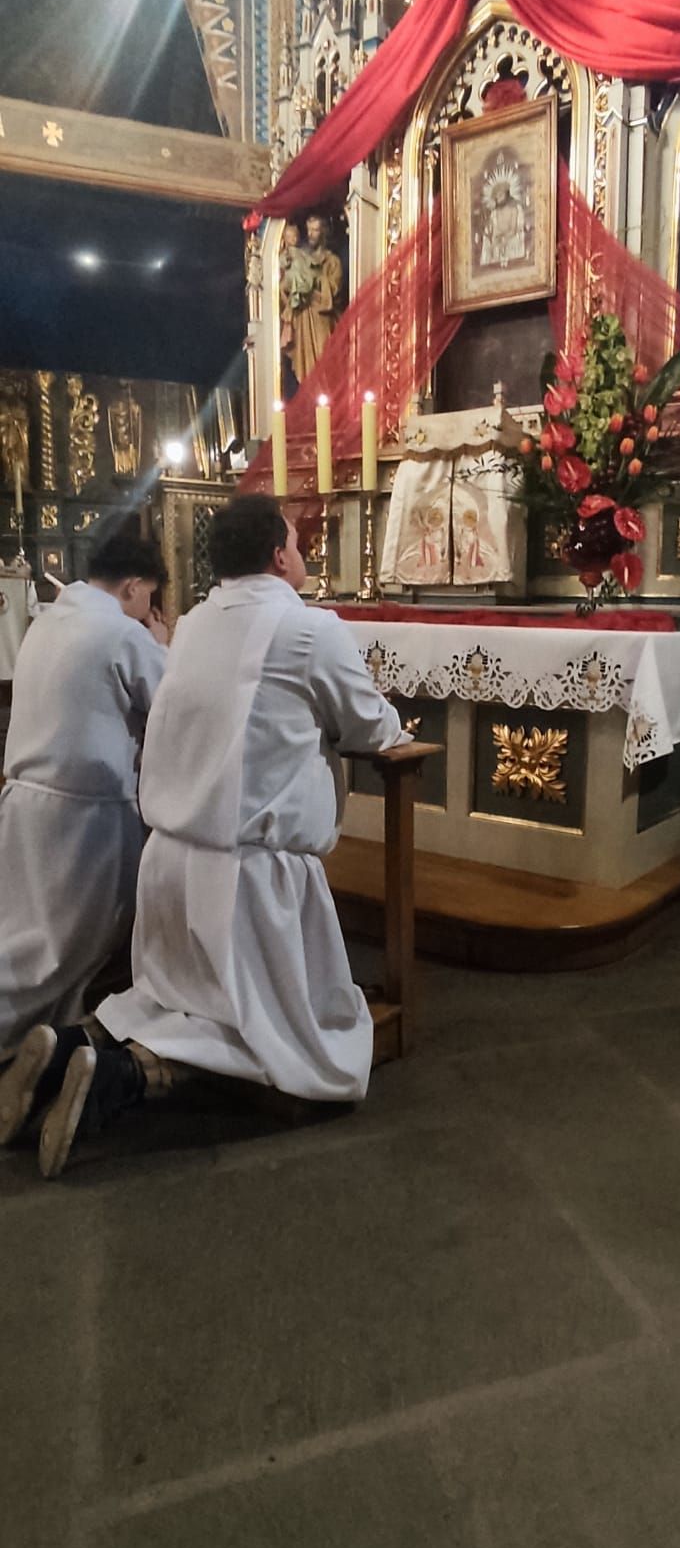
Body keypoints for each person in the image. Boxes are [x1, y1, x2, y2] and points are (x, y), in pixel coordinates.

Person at [2, 493, 406, 1178]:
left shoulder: (191, 624)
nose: (301, 553)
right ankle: (120, 1077)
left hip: (168, 866)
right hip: (249, 882)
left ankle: (69, 1047)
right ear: (278, 555)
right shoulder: (310, 628)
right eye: (296, 542)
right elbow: (371, 728)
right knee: (285, 1036)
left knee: (174, 998)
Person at [0, 530, 168, 1103]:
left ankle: (41, 1047)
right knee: (55, 954)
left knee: (22, 936)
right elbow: (172, 704)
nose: (149, 609)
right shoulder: (121, 631)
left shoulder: (48, 622)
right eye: (150, 596)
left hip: (24, 803)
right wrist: (161, 644)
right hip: (83, 816)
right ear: (134, 586)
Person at [279, 214, 343, 385]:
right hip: (303, 317)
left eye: (315, 230)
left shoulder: (332, 261)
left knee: (325, 361)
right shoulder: (299, 258)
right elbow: (286, 285)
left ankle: (326, 395)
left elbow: (335, 290)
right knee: (305, 367)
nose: (311, 235)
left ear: (324, 232)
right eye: (309, 230)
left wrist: (316, 279)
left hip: (322, 318)